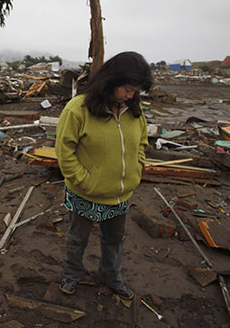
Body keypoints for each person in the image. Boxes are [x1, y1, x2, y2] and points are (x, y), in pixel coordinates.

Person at [55, 51, 153, 299]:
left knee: (115, 240)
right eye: (128, 89)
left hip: (120, 195)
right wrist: (83, 180)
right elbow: (64, 151)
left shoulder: (133, 108)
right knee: (77, 239)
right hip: (85, 193)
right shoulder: (78, 109)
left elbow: (142, 142)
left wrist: (137, 169)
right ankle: (72, 275)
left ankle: (111, 276)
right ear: (112, 80)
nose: (131, 95)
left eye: (136, 91)